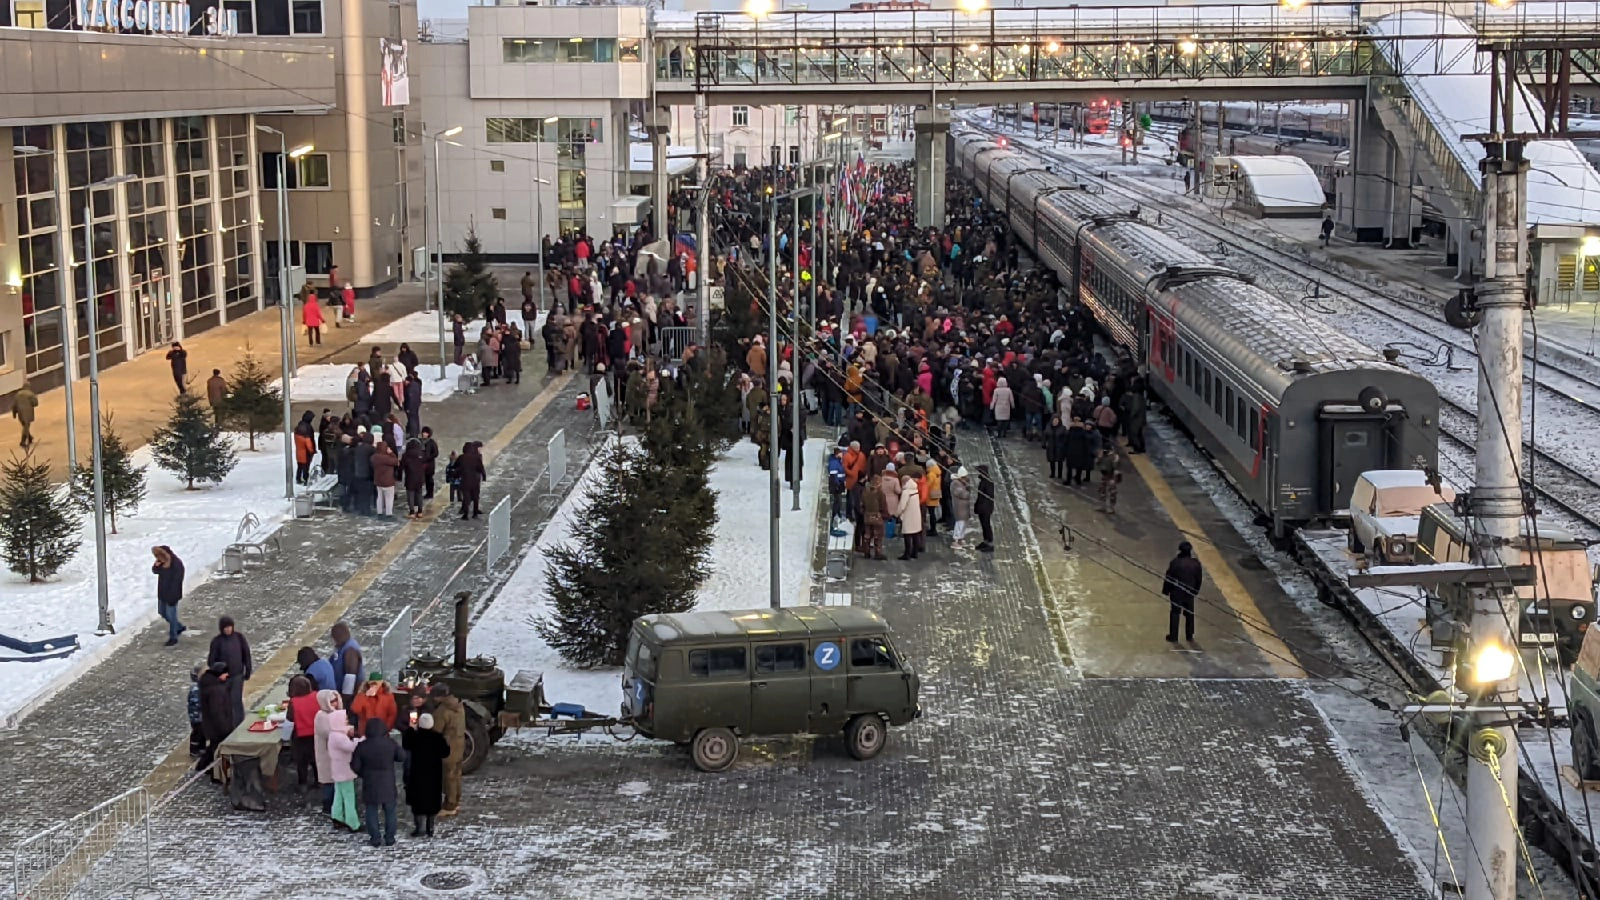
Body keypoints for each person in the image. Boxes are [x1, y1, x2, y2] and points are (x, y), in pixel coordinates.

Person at [352, 718, 405, 847]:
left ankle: (375, 838)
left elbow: (355, 766)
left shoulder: (363, 746)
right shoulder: (390, 743)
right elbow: (402, 756)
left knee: (371, 811)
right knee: (390, 811)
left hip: (370, 782)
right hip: (387, 781)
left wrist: (364, 774)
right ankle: (390, 838)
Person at [403, 712, 449, 837]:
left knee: (417, 801)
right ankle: (430, 827)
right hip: (434, 775)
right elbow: (446, 752)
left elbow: (406, 744)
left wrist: (411, 728)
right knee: (432, 800)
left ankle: (419, 827)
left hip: (417, 775)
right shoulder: (437, 737)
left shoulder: (415, 737)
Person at [206, 616, 252, 729]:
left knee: (236, 701)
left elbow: (246, 654)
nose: (228, 629)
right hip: (224, 678)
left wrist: (248, 670)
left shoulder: (239, 638)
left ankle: (239, 724)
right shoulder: (217, 642)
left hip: (237, 675)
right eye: (226, 627)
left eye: (230, 627)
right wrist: (219, 673)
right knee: (225, 702)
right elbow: (211, 661)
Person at [431, 683, 467, 817]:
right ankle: (456, 800)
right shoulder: (459, 705)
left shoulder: (443, 711)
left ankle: (449, 805)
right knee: (456, 774)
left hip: (447, 747)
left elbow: (436, 730)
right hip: (459, 744)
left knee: (448, 776)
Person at [327, 711, 364, 833]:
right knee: (349, 796)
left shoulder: (334, 734)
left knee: (339, 793)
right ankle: (353, 823)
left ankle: (337, 816)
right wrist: (362, 739)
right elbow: (351, 747)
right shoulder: (339, 737)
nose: (347, 721)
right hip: (344, 770)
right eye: (345, 719)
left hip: (337, 769)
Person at [1162, 541, 1204, 643]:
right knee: (1189, 613)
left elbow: (1169, 578)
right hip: (1189, 592)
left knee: (1175, 613)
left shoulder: (1175, 563)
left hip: (1176, 592)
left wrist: (1166, 590)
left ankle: (1173, 636)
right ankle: (1189, 635)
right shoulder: (1195, 563)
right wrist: (1195, 591)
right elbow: (1199, 579)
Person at [312, 690, 344, 816]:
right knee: (328, 781)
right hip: (326, 753)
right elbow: (329, 733)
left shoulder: (335, 713)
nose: (335, 703)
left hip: (335, 753)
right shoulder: (321, 716)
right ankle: (327, 806)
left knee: (333, 779)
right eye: (332, 701)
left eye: (336, 700)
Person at [196, 661, 232, 771]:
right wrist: (225, 728)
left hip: (211, 725)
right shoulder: (216, 690)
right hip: (218, 727)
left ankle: (202, 766)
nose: (227, 675)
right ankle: (217, 771)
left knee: (213, 746)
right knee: (217, 749)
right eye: (225, 673)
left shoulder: (209, 684)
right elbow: (218, 711)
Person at [286, 675, 320, 789]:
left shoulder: (293, 702)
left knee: (302, 762)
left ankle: (303, 784)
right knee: (316, 759)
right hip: (315, 733)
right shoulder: (316, 696)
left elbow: (290, 718)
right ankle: (318, 781)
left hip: (300, 735)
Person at [152, 545, 186, 646]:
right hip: (162, 593)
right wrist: (157, 566)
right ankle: (178, 627)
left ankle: (173, 637)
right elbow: (155, 571)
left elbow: (177, 582)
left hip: (172, 595)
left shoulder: (176, 564)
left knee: (171, 615)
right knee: (162, 612)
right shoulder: (161, 562)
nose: (157, 558)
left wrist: (172, 597)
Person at [330, 622, 364, 706]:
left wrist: (345, 700)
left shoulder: (350, 650)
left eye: (334, 637)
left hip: (349, 698)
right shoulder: (342, 647)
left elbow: (350, 676)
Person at [896, 473, 923, 561]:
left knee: (907, 534)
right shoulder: (915, 489)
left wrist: (897, 513)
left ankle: (907, 554)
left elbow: (902, 506)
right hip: (916, 515)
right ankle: (915, 552)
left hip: (908, 516)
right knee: (915, 534)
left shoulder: (906, 492)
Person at [457, 441, 486, 520]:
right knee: (476, 497)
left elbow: (457, 468)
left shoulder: (462, 457)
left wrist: (456, 475)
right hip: (475, 480)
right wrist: (483, 476)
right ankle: (475, 513)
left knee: (466, 497)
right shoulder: (476, 457)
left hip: (465, 480)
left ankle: (465, 514)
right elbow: (481, 467)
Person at [372, 439, 399, 518]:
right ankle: (388, 513)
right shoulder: (387, 458)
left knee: (379, 497)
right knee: (389, 498)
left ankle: (379, 512)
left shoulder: (374, 457)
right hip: (388, 481)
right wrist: (391, 453)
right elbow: (396, 461)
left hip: (378, 481)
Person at [974, 465, 996, 553]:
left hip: (985, 509)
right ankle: (986, 541)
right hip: (982, 508)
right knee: (983, 525)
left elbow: (987, 497)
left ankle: (990, 543)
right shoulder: (983, 481)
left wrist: (981, 507)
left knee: (986, 525)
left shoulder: (988, 482)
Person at [949, 466, 972, 549]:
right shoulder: (955, 483)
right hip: (959, 507)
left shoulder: (962, 482)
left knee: (964, 524)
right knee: (959, 524)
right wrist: (968, 491)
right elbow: (962, 494)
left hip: (964, 507)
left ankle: (960, 539)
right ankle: (955, 540)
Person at [1096, 444, 1122, 514]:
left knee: (1112, 492)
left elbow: (1116, 467)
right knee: (1102, 490)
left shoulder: (1114, 457)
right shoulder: (1102, 455)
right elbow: (1097, 463)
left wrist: (1114, 460)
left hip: (1112, 476)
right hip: (1104, 475)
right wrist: (1099, 457)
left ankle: (1112, 507)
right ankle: (1102, 505)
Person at [12, 380, 38, 448]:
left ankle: (29, 438)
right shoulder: (30, 394)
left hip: (20, 413)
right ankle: (22, 441)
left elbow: (14, 405)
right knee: (26, 426)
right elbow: (35, 403)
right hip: (28, 412)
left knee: (25, 426)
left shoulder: (17, 394)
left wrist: (14, 414)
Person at [187, 664, 204, 758]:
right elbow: (196, 703)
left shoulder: (199, 687)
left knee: (202, 732)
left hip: (200, 715)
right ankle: (194, 750)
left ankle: (201, 748)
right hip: (196, 716)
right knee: (197, 732)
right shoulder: (196, 689)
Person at [419, 426, 440, 500]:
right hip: (420, 463)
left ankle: (430, 493)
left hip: (429, 464)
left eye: (426, 433)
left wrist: (428, 457)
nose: (424, 434)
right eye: (423, 432)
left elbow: (436, 453)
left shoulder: (432, 442)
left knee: (429, 479)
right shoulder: (419, 441)